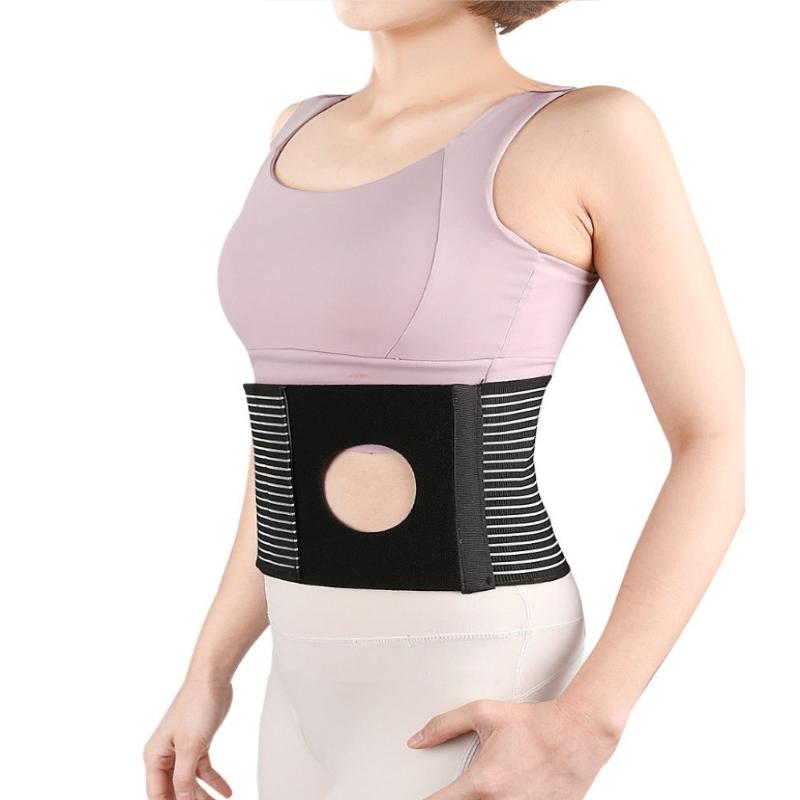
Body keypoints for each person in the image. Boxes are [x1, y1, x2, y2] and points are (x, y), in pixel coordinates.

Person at [143, 1, 745, 798]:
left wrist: (591, 720)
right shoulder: (296, 129)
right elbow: (287, 447)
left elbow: (713, 440)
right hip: (297, 679)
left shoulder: (591, 130)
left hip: (471, 659)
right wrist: (208, 670)